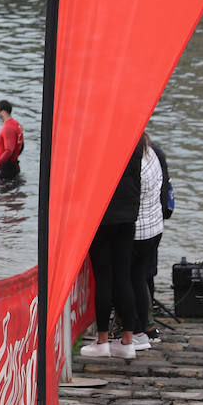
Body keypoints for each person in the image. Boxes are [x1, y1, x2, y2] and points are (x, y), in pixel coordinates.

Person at [80, 142, 143, 359]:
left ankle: (103, 340)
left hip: (103, 217)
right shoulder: (134, 141)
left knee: (104, 278)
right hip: (128, 216)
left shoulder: (103, 141)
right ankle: (127, 341)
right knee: (124, 277)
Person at [130, 132, 172, 350]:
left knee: (138, 277)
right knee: (146, 275)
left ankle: (141, 328)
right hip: (155, 225)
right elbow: (164, 191)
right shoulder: (155, 153)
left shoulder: (139, 155)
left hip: (141, 228)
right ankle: (146, 327)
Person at [0, 99, 24, 181]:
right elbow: (22, 145)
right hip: (14, 166)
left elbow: (9, 150)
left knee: (2, 192)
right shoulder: (17, 125)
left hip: (6, 170)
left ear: (3, 112)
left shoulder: (8, 128)